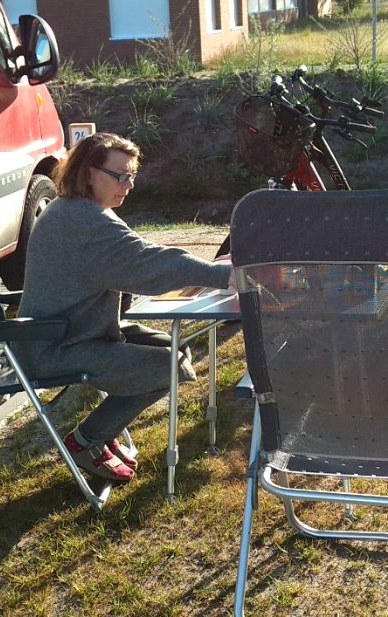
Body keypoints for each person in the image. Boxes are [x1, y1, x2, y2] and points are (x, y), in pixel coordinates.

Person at [13, 133, 233, 482]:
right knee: (169, 367)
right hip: (54, 347)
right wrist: (226, 276)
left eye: (132, 176)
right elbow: (146, 262)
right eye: (120, 176)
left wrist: (212, 269)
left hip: (81, 330)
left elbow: (138, 255)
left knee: (176, 349)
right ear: (89, 173)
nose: (129, 185)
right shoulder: (81, 221)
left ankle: (103, 431)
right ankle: (86, 440)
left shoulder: (81, 210)